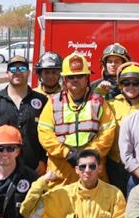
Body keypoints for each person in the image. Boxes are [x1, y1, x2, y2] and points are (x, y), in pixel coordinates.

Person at [38, 52, 118, 189]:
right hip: (61, 173)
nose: (75, 80)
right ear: (64, 80)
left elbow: (107, 133)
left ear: (87, 78)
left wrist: (88, 156)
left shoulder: (99, 102)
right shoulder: (53, 103)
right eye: (71, 77)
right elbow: (45, 134)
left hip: (91, 172)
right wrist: (67, 153)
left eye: (80, 76)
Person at [0, 54, 50, 173]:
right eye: (13, 69)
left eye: (22, 69)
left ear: (28, 72)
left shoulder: (42, 101)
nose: (17, 72)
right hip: (1, 171)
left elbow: (49, 134)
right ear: (7, 73)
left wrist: (43, 161)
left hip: (35, 170)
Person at [104, 61, 139, 191]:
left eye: (136, 83)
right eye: (126, 83)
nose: (131, 87)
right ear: (120, 85)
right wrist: (99, 94)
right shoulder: (111, 104)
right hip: (114, 165)